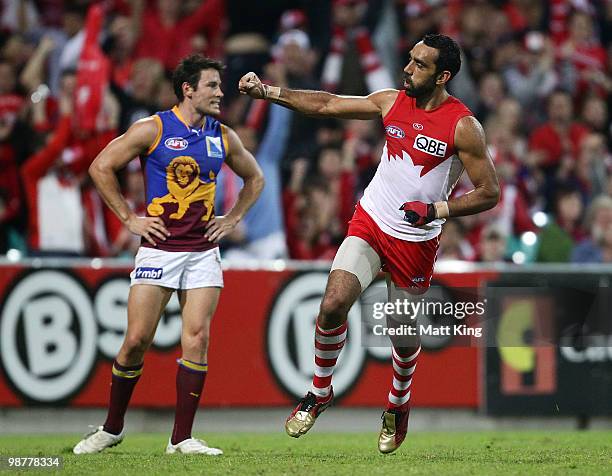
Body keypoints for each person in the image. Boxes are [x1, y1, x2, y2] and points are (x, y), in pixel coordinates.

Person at [239, 33, 499, 454]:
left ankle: (397, 403)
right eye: (410, 59)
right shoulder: (390, 101)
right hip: (372, 221)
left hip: (415, 239)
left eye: (419, 65)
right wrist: (268, 92)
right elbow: (326, 104)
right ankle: (319, 392)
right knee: (332, 303)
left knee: (399, 333)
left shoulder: (463, 126)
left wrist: (436, 211)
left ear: (443, 76)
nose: (408, 69)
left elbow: (490, 192)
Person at [73, 55, 264, 455]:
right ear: (188, 89)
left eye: (219, 85)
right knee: (136, 340)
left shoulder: (222, 135)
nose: (220, 92)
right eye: (211, 85)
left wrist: (232, 218)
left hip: (202, 253)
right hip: (158, 250)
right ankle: (112, 428)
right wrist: (129, 218)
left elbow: (255, 178)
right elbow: (100, 166)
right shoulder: (153, 128)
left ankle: (181, 438)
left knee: (197, 338)